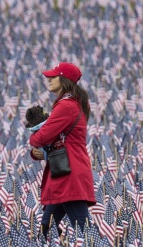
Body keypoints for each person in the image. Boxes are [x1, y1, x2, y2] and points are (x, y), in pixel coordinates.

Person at [29, 62, 96, 239]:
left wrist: (33, 138)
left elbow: (42, 137)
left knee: (85, 231)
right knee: (46, 228)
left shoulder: (66, 106)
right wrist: (42, 152)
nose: (49, 79)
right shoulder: (72, 104)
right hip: (66, 173)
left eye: (54, 76)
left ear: (64, 80)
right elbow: (59, 139)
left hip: (69, 176)